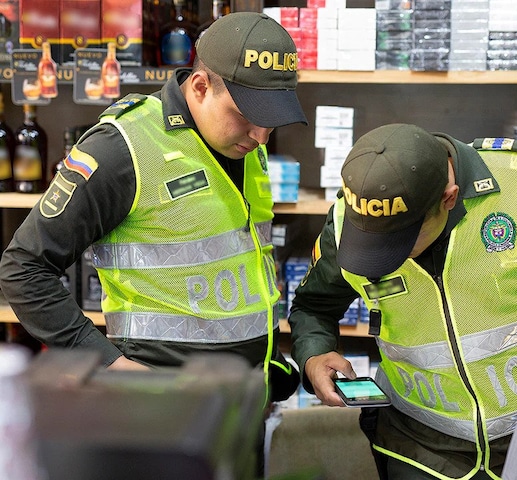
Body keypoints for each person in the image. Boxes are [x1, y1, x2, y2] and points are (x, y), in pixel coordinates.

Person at [0, 11, 306, 471]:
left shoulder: (246, 144)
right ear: (200, 87)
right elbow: (23, 267)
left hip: (239, 405)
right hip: (159, 419)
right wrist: (107, 364)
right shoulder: (122, 148)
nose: (261, 135)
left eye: (271, 121)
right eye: (247, 117)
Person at [287, 123, 517, 480]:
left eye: (404, 239)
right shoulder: (347, 224)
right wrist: (314, 354)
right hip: (417, 449)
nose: (390, 258)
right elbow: (313, 307)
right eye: (374, 243)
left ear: (449, 198)